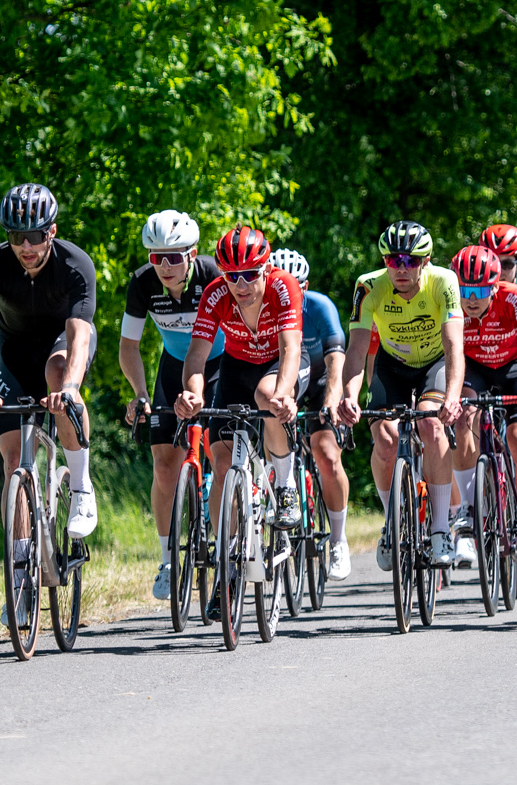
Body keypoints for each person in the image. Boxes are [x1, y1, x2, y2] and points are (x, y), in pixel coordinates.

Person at [0, 183, 100, 564]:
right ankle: (21, 565)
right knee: (13, 464)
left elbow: (78, 337)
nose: (26, 246)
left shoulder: (76, 264)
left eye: (35, 236)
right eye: (15, 236)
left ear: (52, 231)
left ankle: (80, 485)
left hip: (64, 345)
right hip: (17, 350)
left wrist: (71, 389)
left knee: (57, 370)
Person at [176, 227, 306, 604]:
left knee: (266, 396)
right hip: (237, 365)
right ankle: (226, 559)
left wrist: (283, 395)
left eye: (250, 274)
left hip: (279, 364)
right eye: (232, 276)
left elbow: (290, 348)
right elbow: (197, 355)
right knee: (220, 460)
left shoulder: (284, 288)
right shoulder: (216, 294)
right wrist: (193, 394)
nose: (241, 284)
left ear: (265, 269)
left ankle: (284, 487)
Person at [333, 221, 466, 570]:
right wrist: (349, 395)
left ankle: (439, 530)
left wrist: (452, 396)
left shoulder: (444, 282)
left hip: (434, 364)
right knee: (385, 436)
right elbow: (358, 350)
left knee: (432, 427)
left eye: (410, 260)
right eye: (393, 260)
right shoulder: (368, 286)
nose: (401, 268)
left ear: (426, 261)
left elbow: (454, 347)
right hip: (392, 366)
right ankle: (392, 521)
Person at [119, 210, 221, 600]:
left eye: (174, 257)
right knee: (165, 466)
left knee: (220, 448)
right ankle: (166, 560)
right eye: (156, 256)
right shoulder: (144, 284)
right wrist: (141, 394)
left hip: (220, 362)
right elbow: (128, 348)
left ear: (192, 254)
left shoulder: (212, 275)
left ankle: (229, 525)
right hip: (174, 364)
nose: (164, 265)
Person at [447, 245, 517, 567]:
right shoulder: (449, 302)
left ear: (495, 286)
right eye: (465, 290)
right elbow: (451, 357)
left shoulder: (515, 298)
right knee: (463, 419)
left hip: (512, 368)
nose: (471, 299)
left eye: (480, 291)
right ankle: (469, 507)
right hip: (473, 367)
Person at [270, 248, 353, 579]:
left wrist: (332, 400)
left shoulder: (319, 307)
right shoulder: (263, 308)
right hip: (284, 380)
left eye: (297, 284)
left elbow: (336, 359)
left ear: (306, 285)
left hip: (319, 381)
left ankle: (337, 538)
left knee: (326, 453)